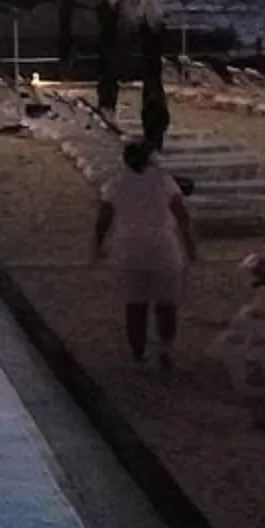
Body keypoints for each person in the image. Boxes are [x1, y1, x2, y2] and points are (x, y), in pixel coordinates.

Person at [93, 138, 197, 373]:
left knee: (135, 306)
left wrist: (98, 247)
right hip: (163, 249)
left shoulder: (116, 182)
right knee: (166, 305)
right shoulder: (163, 180)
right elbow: (182, 215)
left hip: (129, 250)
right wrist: (191, 247)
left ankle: (139, 355)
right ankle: (165, 350)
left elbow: (103, 219)